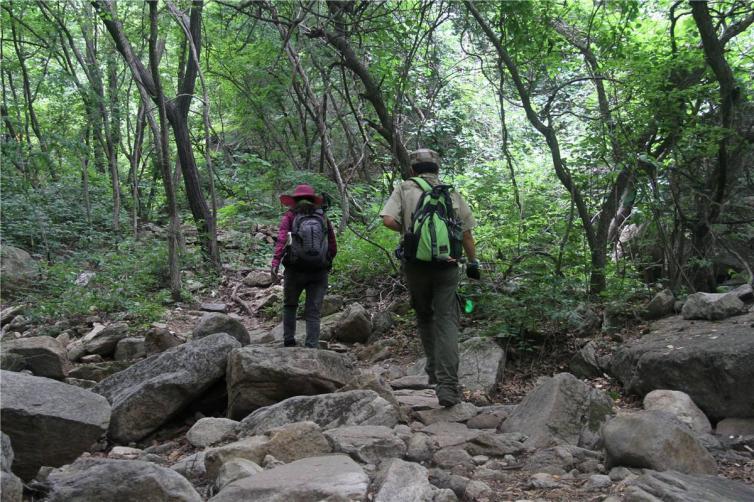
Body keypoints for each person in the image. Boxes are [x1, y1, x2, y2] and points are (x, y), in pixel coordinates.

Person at [380, 149, 480, 407]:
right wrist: (473, 262)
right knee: (446, 321)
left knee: (425, 315)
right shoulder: (449, 192)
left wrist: (407, 230)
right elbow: (467, 233)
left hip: (415, 265)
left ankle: (434, 371)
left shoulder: (405, 188)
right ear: (437, 169)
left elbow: (387, 219)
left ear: (413, 170)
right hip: (447, 265)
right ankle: (448, 387)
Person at [271, 184, 337, 348]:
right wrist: (324, 260)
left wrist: (275, 263)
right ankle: (311, 346)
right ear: (313, 200)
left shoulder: (290, 216)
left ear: (295, 200)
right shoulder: (322, 216)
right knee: (313, 312)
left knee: (290, 305)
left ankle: (289, 341)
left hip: (295, 270)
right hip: (319, 271)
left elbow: (281, 240)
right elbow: (332, 245)